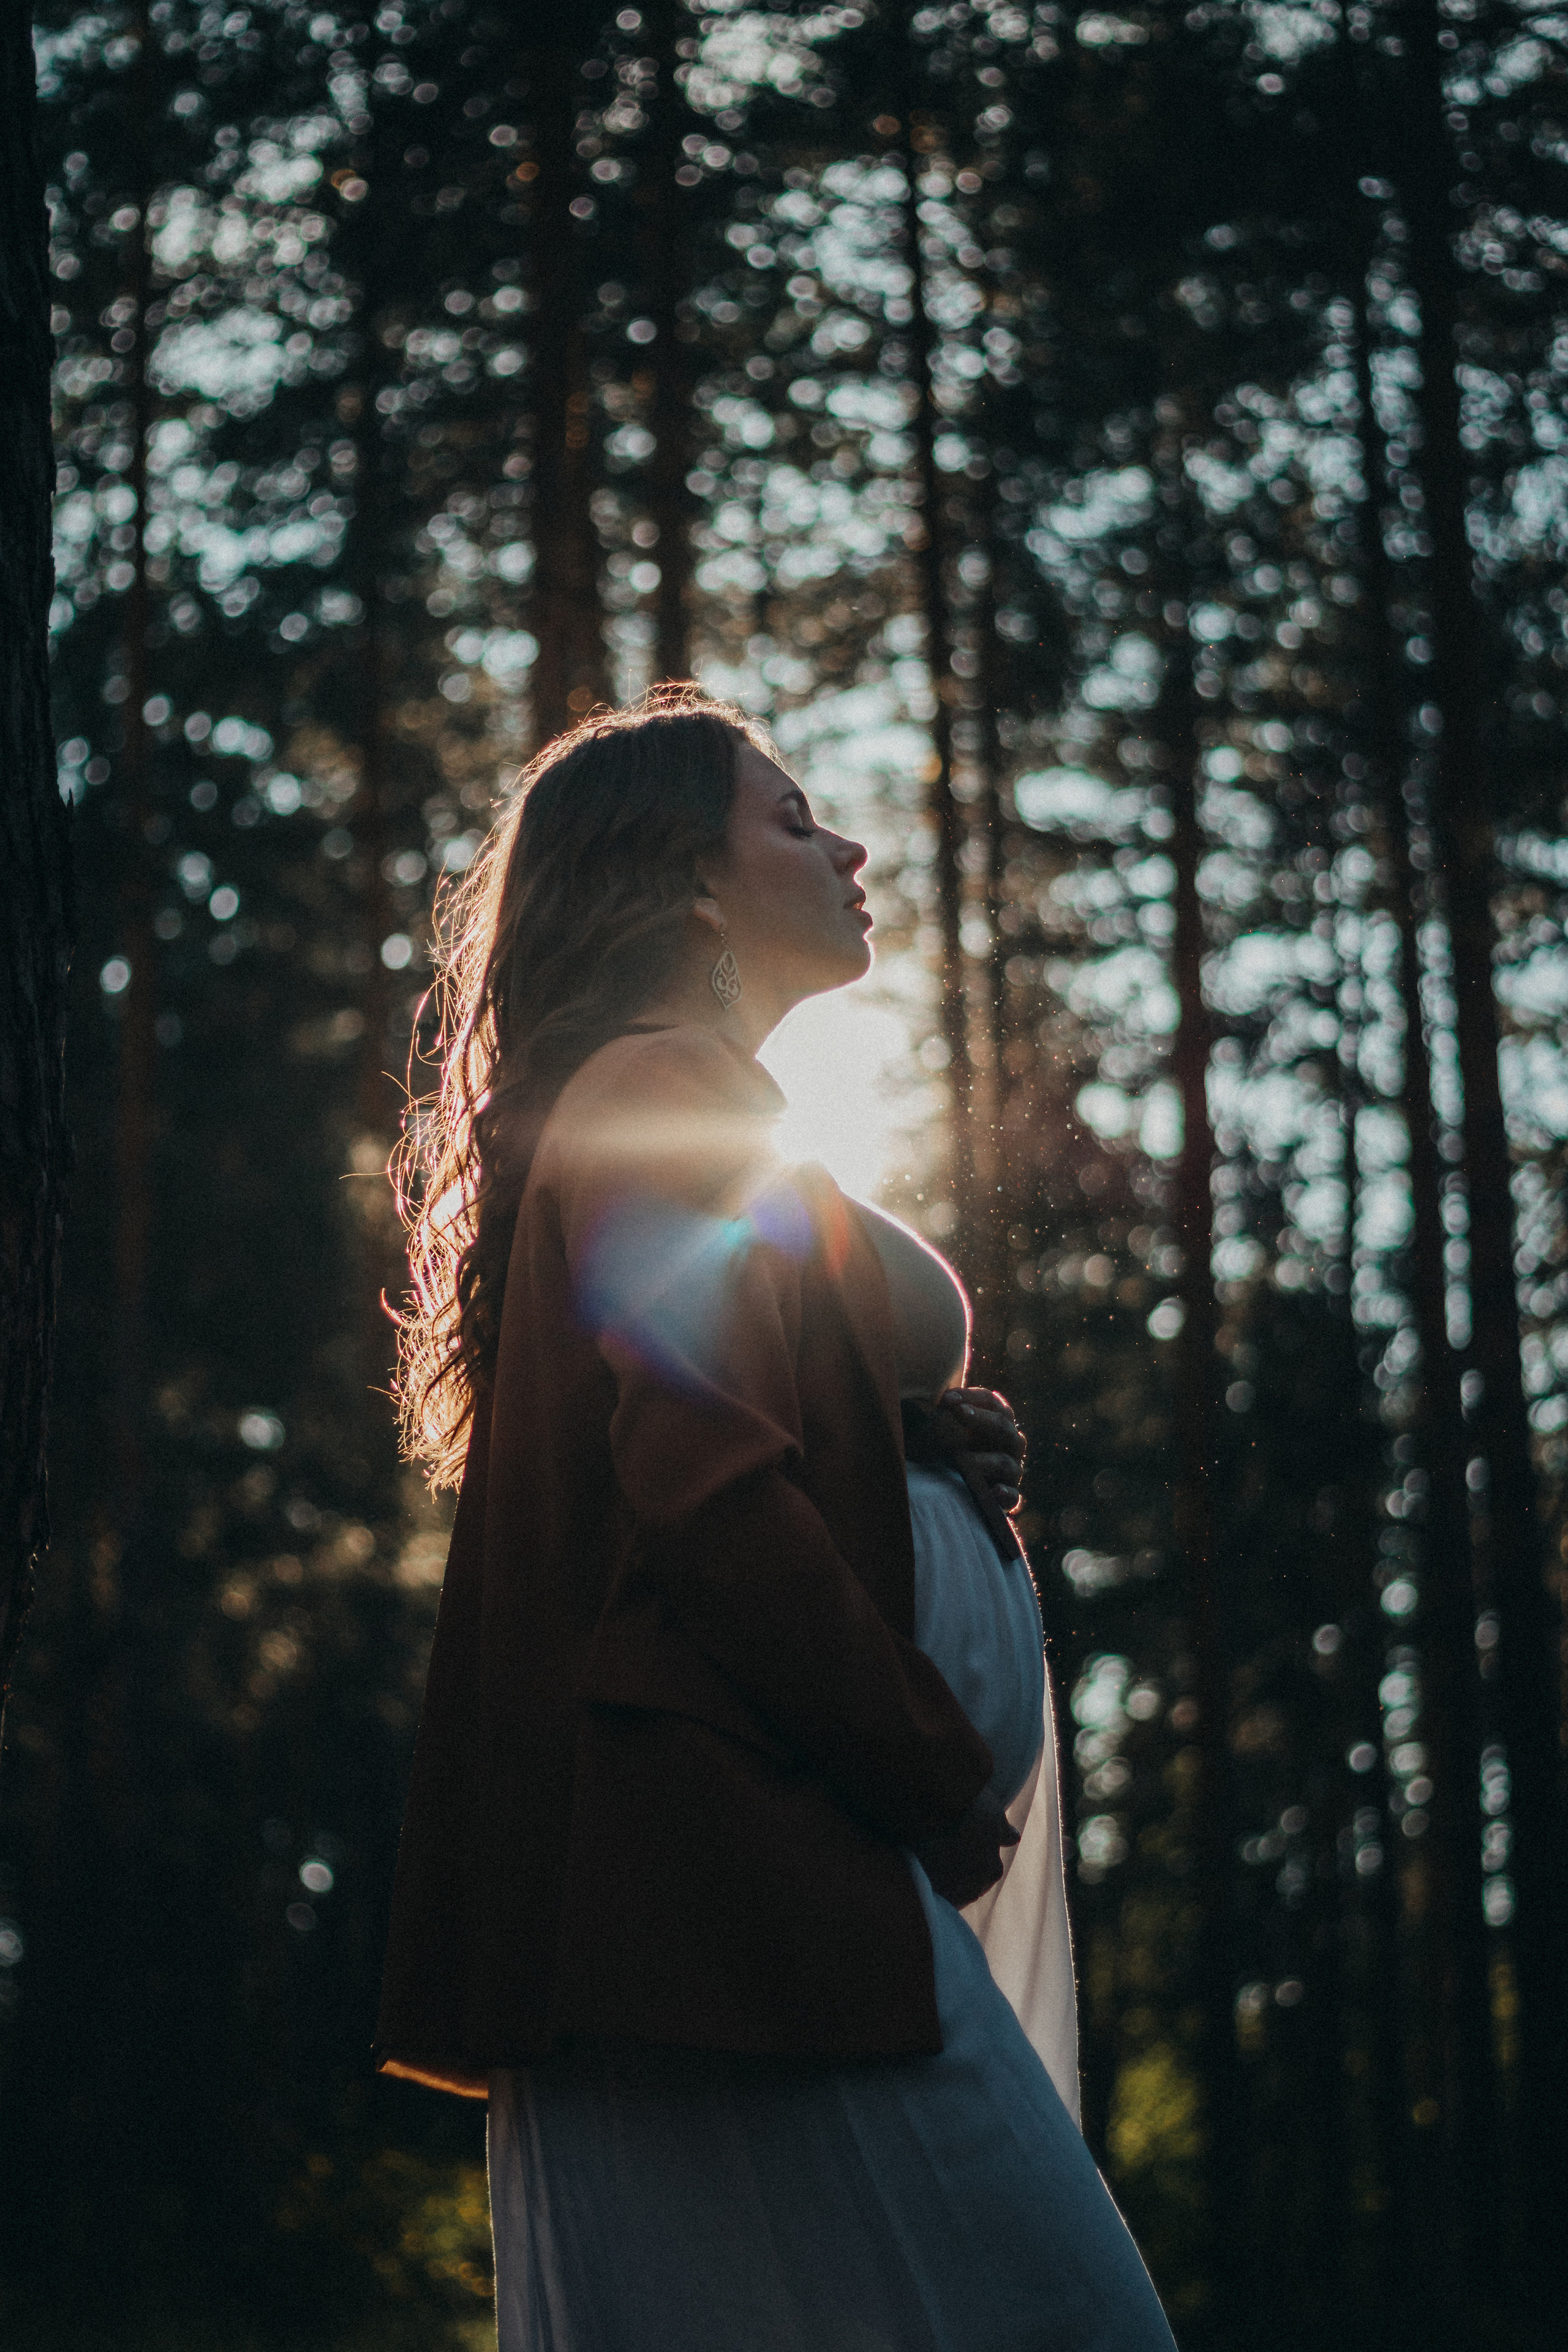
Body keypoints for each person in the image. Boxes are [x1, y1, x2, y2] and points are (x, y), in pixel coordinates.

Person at [379, 690, 1177, 2351]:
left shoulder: (668, 1096)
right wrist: (932, 1780)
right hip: (738, 1864)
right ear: (683, 878)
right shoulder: (670, 1087)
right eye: (795, 818)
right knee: (1063, 2322)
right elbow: (706, 1496)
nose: (850, 845)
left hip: (717, 1862)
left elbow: (700, 1416)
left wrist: (891, 1442)